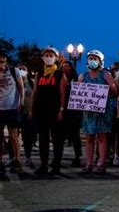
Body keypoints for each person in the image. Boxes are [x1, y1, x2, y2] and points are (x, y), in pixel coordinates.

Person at [79, 50, 117, 174]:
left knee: (101, 137)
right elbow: (78, 92)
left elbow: (115, 90)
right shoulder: (83, 76)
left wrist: (111, 88)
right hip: (89, 112)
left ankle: (101, 163)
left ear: (100, 61)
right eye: (90, 58)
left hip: (102, 112)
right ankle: (89, 163)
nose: (92, 60)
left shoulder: (105, 75)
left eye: (95, 58)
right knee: (89, 138)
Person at [30, 46, 66, 175]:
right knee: (43, 138)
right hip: (40, 108)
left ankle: (56, 165)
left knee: (57, 139)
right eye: (46, 55)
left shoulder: (60, 74)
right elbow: (35, 91)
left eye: (51, 55)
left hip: (54, 108)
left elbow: (62, 93)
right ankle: (43, 165)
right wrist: (31, 109)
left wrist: (61, 109)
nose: (48, 58)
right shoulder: (39, 72)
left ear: (56, 58)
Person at [0, 50, 25, 174]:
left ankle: (17, 161)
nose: (2, 63)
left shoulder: (14, 71)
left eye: (3, 60)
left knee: (13, 136)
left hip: (12, 108)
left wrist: (22, 102)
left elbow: (21, 87)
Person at [60, 61, 83, 167]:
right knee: (60, 136)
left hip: (74, 112)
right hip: (62, 111)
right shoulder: (58, 78)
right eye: (63, 66)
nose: (65, 68)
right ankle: (57, 158)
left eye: (68, 66)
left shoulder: (77, 80)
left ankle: (77, 157)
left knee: (75, 136)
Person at [18, 63, 36, 168]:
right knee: (13, 136)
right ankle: (13, 158)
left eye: (23, 69)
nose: (21, 70)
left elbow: (36, 97)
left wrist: (32, 111)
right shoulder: (13, 82)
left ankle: (28, 157)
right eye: (19, 68)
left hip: (28, 114)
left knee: (27, 137)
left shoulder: (32, 82)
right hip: (16, 113)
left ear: (27, 71)